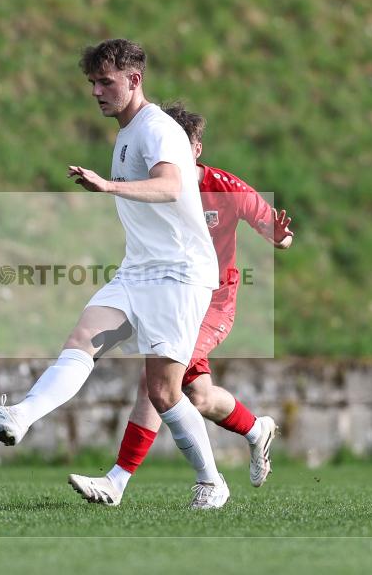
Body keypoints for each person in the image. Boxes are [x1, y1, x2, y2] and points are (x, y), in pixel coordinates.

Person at [0, 39, 230, 508]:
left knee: (164, 393)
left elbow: (171, 186)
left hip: (179, 276)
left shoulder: (158, 129)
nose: (97, 91)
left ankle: (211, 482)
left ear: (135, 79)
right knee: (82, 339)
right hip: (138, 270)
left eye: (106, 81)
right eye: (92, 83)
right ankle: (18, 417)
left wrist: (109, 185)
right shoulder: (127, 131)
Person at [68, 102, 294, 506]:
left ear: (196, 150)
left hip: (213, 302)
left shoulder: (225, 187)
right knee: (201, 397)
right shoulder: (150, 184)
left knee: (155, 381)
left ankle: (118, 481)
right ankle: (257, 430)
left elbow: (277, 233)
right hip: (169, 294)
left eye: (178, 147)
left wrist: (280, 236)